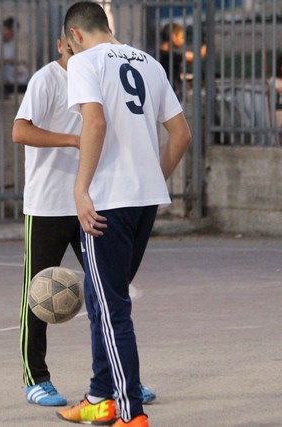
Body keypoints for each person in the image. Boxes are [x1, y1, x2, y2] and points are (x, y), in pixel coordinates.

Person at [57, 2, 191, 426]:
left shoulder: (83, 63)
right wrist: (152, 177)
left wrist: (80, 190)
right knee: (100, 298)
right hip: (143, 199)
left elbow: (93, 125)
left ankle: (131, 413)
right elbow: (181, 135)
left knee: (111, 307)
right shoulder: (150, 62)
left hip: (108, 201)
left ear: (75, 35)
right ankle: (100, 395)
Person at [12, 31, 157, 408]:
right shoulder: (46, 79)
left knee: (109, 292)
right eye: (70, 45)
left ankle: (120, 380)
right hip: (48, 203)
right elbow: (20, 130)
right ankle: (36, 377)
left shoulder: (100, 72)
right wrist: (74, 139)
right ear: (62, 44)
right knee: (38, 292)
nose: (76, 50)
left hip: (92, 202)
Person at [158, 22, 206, 100]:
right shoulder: (172, 56)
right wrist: (206, 42)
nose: (183, 41)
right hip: (172, 93)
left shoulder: (157, 54)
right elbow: (197, 56)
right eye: (182, 37)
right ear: (173, 36)